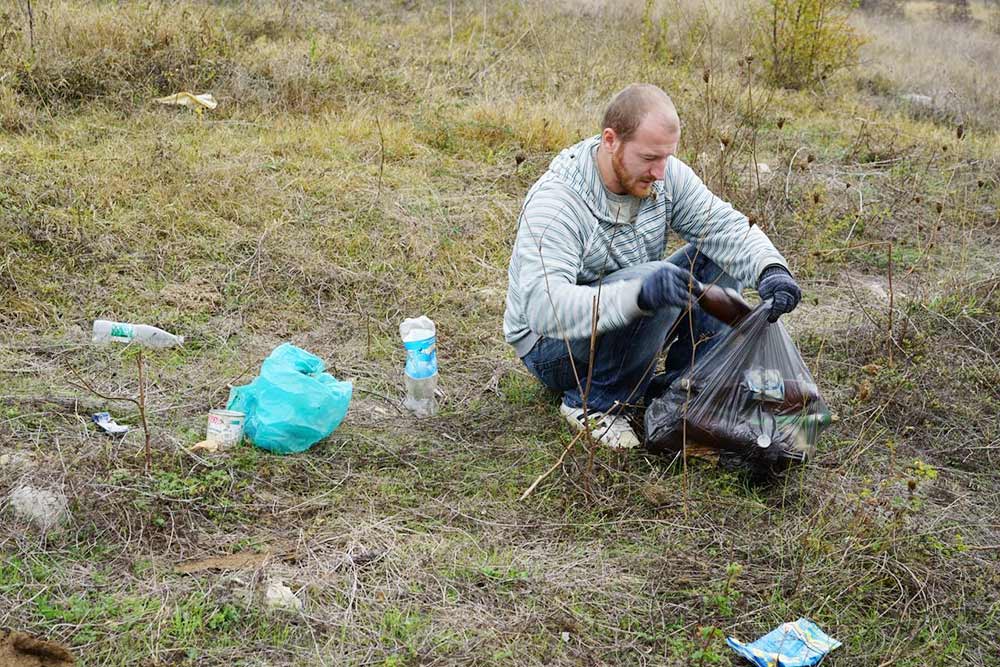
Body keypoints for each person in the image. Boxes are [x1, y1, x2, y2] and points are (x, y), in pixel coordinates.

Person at [503, 84, 801, 449]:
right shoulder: (558, 205)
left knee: (715, 254)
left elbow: (724, 228)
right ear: (610, 140)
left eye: (666, 157)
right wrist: (637, 296)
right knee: (653, 280)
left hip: (621, 322)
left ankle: (692, 391)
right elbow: (544, 310)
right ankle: (595, 403)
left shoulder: (665, 175)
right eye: (649, 158)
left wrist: (771, 269)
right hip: (552, 349)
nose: (660, 172)